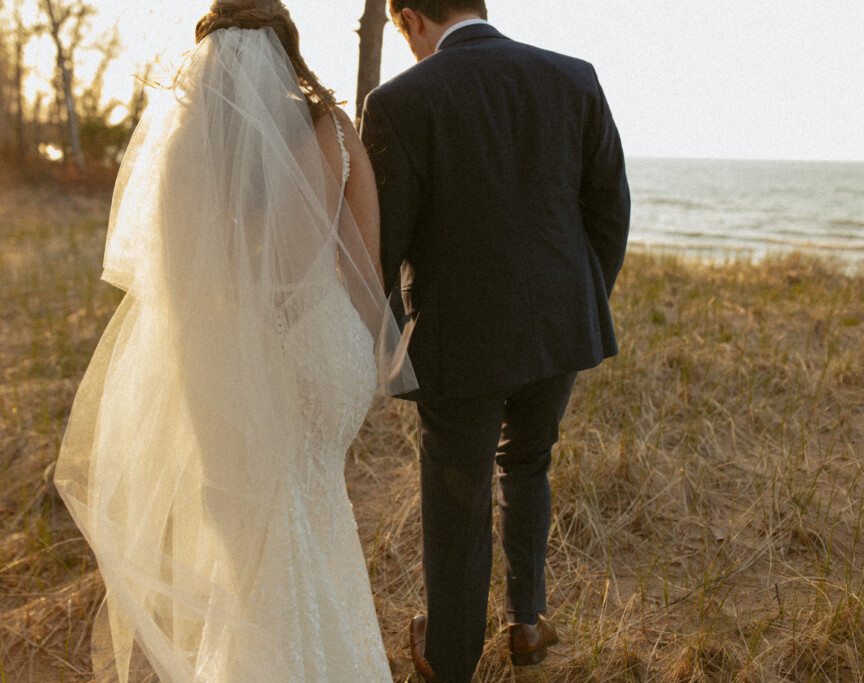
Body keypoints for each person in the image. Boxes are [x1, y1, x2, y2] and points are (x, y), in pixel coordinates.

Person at [54, 1, 415, 680]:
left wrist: (228, 343)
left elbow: (172, 278)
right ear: (288, 48)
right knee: (315, 514)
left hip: (223, 361)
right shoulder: (333, 129)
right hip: (324, 354)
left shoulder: (186, 144)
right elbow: (367, 274)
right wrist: (364, 357)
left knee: (248, 538)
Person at [359, 0, 630, 680]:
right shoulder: (576, 77)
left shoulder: (398, 102)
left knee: (458, 489)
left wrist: (385, 337)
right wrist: (579, 300)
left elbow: (382, 247)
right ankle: (528, 622)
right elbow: (610, 207)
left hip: (457, 338)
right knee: (529, 459)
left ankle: (449, 654)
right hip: (559, 326)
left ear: (409, 20)